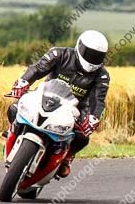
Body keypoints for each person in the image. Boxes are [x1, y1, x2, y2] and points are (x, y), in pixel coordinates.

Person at [7, 30, 110, 178]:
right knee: (14, 108)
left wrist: (94, 117)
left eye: (97, 56)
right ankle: (14, 132)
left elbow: (98, 100)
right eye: (89, 54)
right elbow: (37, 69)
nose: (92, 59)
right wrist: (24, 81)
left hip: (75, 109)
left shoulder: (102, 75)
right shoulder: (59, 54)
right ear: (79, 46)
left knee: (82, 137)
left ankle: (66, 158)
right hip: (46, 96)